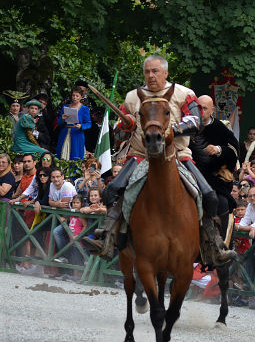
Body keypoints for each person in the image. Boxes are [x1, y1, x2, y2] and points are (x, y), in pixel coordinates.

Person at [83, 54, 235, 265]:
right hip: (139, 156)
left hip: (178, 156)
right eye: (147, 72)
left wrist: (170, 130)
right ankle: (108, 238)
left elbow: (196, 121)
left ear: (165, 73)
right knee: (111, 190)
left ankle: (213, 245)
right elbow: (119, 129)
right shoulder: (132, 97)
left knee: (209, 194)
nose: (151, 76)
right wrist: (125, 124)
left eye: (155, 71)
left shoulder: (184, 93)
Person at [189, 94, 239, 253]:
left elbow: (234, 151)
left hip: (213, 179)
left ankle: (219, 246)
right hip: (189, 174)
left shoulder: (221, 129)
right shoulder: (187, 126)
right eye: (198, 108)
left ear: (212, 110)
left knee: (221, 202)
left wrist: (218, 149)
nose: (201, 111)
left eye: (204, 108)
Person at [56, 87, 91, 161]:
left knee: (75, 154)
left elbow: (89, 123)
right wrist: (62, 119)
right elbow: (59, 123)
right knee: (62, 153)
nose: (75, 98)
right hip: (64, 132)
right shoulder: (65, 107)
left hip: (77, 133)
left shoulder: (84, 109)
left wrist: (81, 126)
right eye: (73, 95)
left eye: (77, 96)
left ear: (81, 97)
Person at [53, 194, 87, 269]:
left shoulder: (81, 215)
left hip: (79, 242)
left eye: (77, 203)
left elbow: (85, 226)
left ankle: (78, 276)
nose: (75, 204)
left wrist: (79, 235)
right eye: (74, 203)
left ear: (81, 204)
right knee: (74, 259)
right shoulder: (72, 213)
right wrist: (65, 219)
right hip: (71, 240)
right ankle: (73, 275)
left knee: (78, 261)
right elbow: (69, 218)